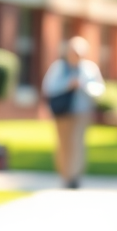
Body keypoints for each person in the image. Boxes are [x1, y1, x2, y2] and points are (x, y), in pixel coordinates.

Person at [41, 36, 105, 189]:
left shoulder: (89, 69)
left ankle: (74, 176)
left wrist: (83, 86)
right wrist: (68, 85)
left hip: (81, 112)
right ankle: (65, 174)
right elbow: (48, 88)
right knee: (63, 144)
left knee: (77, 143)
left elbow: (99, 89)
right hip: (62, 112)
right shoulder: (59, 68)